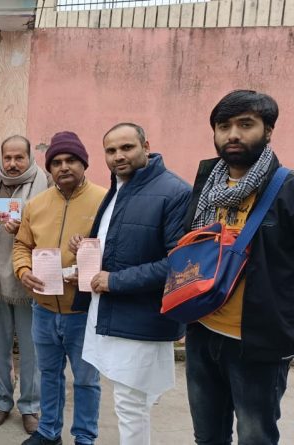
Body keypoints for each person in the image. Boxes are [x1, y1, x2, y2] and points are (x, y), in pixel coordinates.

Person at [182, 90, 293, 444]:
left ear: (268, 130)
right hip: (202, 332)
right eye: (223, 125)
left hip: (257, 344)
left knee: (255, 437)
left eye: (245, 124)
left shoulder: (287, 190)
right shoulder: (206, 185)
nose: (233, 134)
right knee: (207, 437)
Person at [72, 123, 191, 445]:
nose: (118, 156)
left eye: (127, 147)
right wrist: (87, 251)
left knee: (131, 405)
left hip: (140, 315)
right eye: (110, 150)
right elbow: (121, 244)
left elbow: (179, 264)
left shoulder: (174, 192)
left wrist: (115, 281)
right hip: (111, 310)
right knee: (131, 401)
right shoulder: (118, 189)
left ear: (146, 147)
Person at [12, 131, 106, 445]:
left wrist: (90, 264)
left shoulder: (105, 202)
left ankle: (84, 438)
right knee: (48, 375)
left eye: (71, 160)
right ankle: (49, 432)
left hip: (83, 310)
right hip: (43, 308)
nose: (64, 167)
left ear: (84, 164)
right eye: (56, 162)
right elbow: (22, 245)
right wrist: (23, 271)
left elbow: (117, 251)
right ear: (49, 168)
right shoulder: (36, 205)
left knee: (86, 380)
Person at [0, 135, 46, 434]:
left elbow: (51, 232)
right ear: (0, 159)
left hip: (28, 282)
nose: (13, 164)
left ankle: (30, 406)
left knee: (31, 349)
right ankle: (2, 401)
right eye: (8, 158)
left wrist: (25, 230)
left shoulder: (46, 186)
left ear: (30, 158)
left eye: (19, 157)